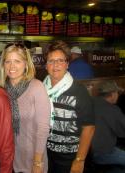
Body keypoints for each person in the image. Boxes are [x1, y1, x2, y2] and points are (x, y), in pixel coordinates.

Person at [43, 40, 95, 173]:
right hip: (47, 155)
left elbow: (89, 127)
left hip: (70, 158)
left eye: (60, 60)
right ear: (46, 65)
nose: (56, 65)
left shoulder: (79, 91)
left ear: (67, 64)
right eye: (51, 61)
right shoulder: (41, 90)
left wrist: (79, 160)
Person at [0, 43, 51, 173]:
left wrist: (38, 162)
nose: (12, 66)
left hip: (34, 158)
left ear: (26, 64)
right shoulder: (1, 90)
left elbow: (43, 128)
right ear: (3, 65)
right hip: (10, 159)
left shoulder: (36, 87)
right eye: (8, 61)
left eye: (17, 61)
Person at [91, 80, 125, 172]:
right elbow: (122, 132)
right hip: (103, 152)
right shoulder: (112, 109)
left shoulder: (89, 102)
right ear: (113, 94)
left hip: (86, 152)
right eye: (118, 93)